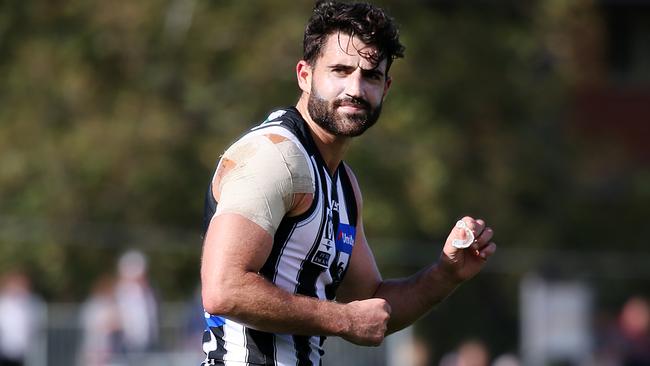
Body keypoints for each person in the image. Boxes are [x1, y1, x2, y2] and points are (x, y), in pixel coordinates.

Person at [200, 1, 497, 365]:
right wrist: (342, 319)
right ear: (304, 75)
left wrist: (445, 274)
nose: (355, 88)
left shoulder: (343, 183)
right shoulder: (274, 157)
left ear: (386, 88)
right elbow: (223, 289)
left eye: (370, 75)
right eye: (340, 70)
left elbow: (370, 303)